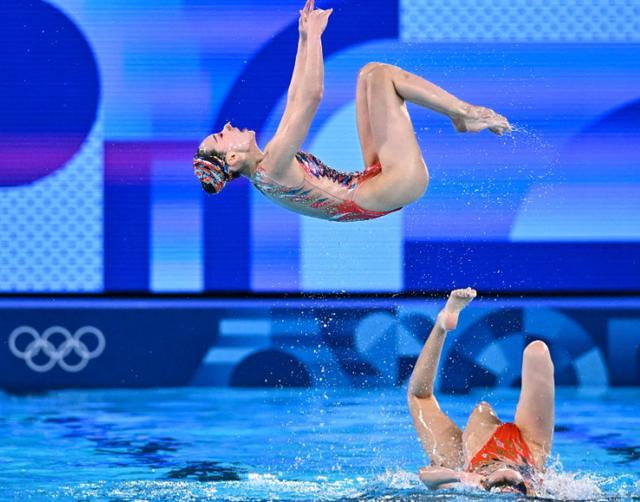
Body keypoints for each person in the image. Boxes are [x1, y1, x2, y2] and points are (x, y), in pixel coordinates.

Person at [193, 1, 511, 222]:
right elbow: (311, 97)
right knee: (382, 75)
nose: (229, 125)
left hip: (375, 181)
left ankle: (461, 116)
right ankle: (464, 113)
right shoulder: (272, 166)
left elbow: (294, 98)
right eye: (223, 135)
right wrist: (316, 38)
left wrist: (304, 39)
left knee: (369, 76)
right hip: (396, 183)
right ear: (232, 159)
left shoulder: (267, 171)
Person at [407, 288, 554, 496]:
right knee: (537, 352)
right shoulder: (532, 484)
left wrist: (465, 477)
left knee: (419, 398)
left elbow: (426, 475)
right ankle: (443, 321)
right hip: (524, 447)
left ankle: (442, 323)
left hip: (468, 458)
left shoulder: (467, 475)